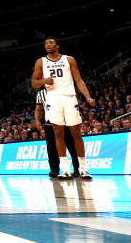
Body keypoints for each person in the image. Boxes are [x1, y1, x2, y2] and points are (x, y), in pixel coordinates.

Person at [31, 37, 95, 179]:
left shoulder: (69, 59)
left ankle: (83, 168)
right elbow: (34, 83)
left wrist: (88, 96)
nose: (48, 45)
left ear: (58, 45)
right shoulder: (41, 62)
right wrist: (44, 81)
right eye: (46, 44)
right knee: (58, 133)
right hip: (53, 99)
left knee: (75, 132)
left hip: (69, 97)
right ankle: (65, 169)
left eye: (51, 43)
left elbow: (78, 80)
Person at [35, 86, 80, 178]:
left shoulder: (62, 89)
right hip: (49, 124)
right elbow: (38, 109)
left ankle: (78, 169)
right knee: (51, 148)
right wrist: (37, 121)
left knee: (71, 146)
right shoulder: (40, 93)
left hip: (65, 122)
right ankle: (55, 170)